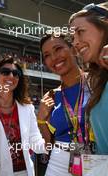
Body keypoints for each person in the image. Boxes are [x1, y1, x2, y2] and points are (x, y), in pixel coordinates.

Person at [0, 57, 46, 176]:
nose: (11, 76)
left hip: (22, 172)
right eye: (5, 72)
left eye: (16, 74)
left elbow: (34, 140)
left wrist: (53, 144)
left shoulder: (27, 108)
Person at [38, 33, 91, 176]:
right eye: (47, 55)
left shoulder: (96, 84)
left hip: (94, 157)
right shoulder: (51, 96)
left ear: (73, 49)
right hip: (58, 160)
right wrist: (42, 120)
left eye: (58, 49)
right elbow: (48, 144)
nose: (54, 58)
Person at [69, 2, 108, 155]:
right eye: (72, 38)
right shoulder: (96, 81)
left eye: (80, 32)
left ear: (104, 27)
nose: (75, 43)